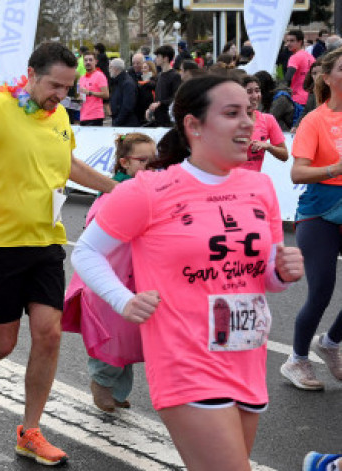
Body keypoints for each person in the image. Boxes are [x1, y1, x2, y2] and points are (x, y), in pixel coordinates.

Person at [72, 75, 304, 470]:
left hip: (246, 353)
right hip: (185, 358)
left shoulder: (260, 186)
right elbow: (87, 252)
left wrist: (281, 273)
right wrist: (123, 299)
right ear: (193, 125)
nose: (248, 122)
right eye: (232, 113)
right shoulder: (148, 191)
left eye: (248, 112)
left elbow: (261, 275)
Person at [0, 42, 117, 466]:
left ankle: (30, 431)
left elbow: (68, 165)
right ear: (32, 75)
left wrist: (117, 188)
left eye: (68, 88)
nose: (62, 95)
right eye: (55, 85)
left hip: (47, 242)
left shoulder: (60, 116)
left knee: (49, 333)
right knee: (2, 343)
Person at [64, 133, 155, 413]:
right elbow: (94, 239)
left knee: (130, 336)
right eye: (143, 161)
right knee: (112, 334)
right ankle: (101, 384)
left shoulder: (152, 191)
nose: (150, 167)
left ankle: (118, 390)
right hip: (111, 277)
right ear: (125, 163)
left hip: (137, 277)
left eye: (155, 161)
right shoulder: (115, 195)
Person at [280, 47, 342, 391]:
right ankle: (297, 360)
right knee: (321, 290)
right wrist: (335, 168)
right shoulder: (314, 120)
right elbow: (297, 172)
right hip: (319, 211)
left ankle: (331, 342)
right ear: (328, 77)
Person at [241, 75, 288, 171]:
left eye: (257, 91)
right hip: (231, 181)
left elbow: (284, 155)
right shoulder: (229, 120)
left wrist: (268, 146)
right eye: (249, 92)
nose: (255, 96)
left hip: (255, 181)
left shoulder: (268, 119)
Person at [149, 45, 182, 127]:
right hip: (158, 117)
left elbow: (176, 97)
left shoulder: (175, 76)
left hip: (168, 119)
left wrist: (160, 103)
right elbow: (158, 96)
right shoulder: (159, 75)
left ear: (165, 58)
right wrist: (151, 109)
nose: (156, 59)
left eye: (158, 56)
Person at [286, 29, 317, 107]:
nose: (288, 43)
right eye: (287, 41)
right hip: (311, 98)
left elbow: (288, 77)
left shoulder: (295, 57)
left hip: (297, 99)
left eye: (292, 41)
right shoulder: (311, 57)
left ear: (300, 42)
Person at [79, 52, 109, 126]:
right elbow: (81, 95)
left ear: (96, 62)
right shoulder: (82, 78)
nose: (88, 62)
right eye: (85, 60)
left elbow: (106, 94)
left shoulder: (100, 76)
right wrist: (78, 99)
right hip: (83, 116)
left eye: (90, 60)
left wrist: (90, 92)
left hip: (95, 116)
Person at [109, 58, 140, 127]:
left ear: (116, 69)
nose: (109, 70)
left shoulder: (127, 83)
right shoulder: (118, 81)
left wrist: (117, 121)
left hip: (126, 123)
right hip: (121, 121)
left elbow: (127, 105)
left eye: (110, 67)